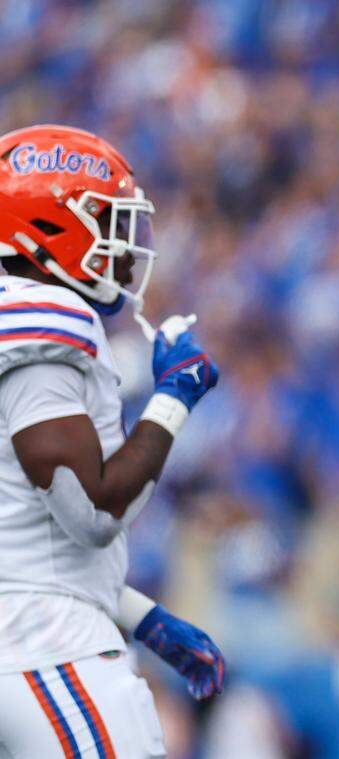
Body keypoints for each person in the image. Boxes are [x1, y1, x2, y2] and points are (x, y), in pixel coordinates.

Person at [0, 124, 224, 757]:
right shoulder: (43, 322)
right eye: (108, 222)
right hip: (42, 649)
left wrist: (141, 617)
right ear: (47, 225)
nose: (125, 248)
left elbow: (22, 536)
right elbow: (91, 511)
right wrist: (175, 397)